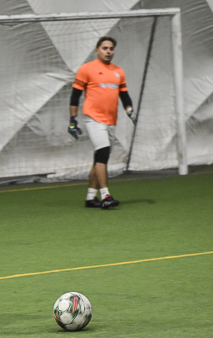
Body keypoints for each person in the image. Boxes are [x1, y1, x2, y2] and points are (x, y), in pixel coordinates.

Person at [68, 36, 136, 209]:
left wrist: (130, 110)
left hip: (111, 121)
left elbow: (124, 95)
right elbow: (75, 95)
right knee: (103, 153)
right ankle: (106, 195)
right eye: (105, 48)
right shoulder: (86, 69)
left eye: (111, 48)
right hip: (93, 118)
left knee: (100, 158)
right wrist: (72, 120)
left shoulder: (118, 71)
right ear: (97, 50)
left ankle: (91, 198)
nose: (108, 51)